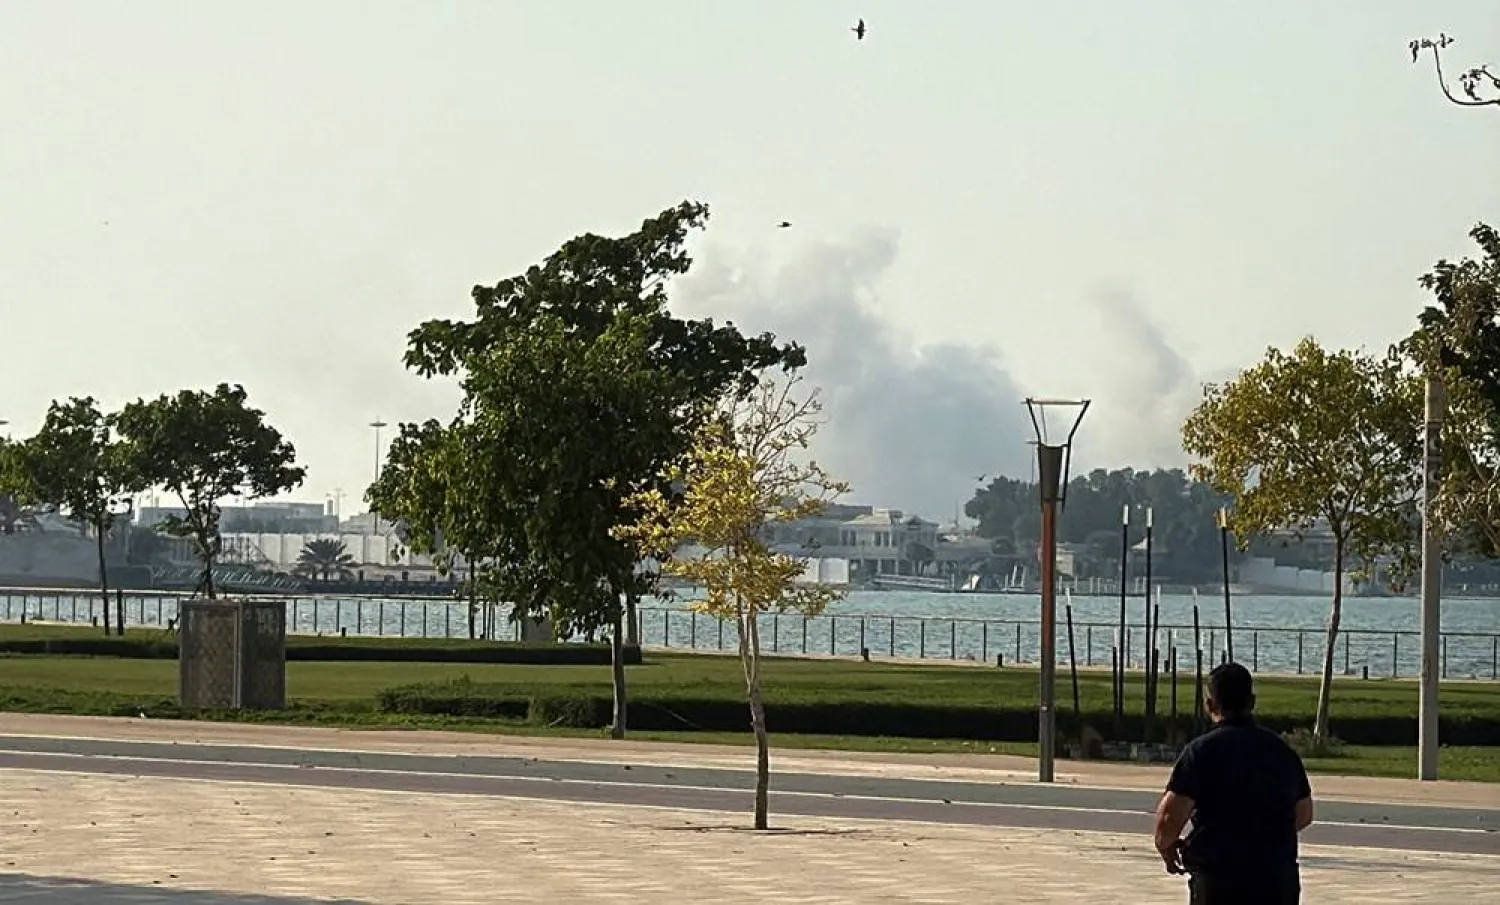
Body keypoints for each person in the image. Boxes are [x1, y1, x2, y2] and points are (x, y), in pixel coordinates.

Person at [1153, 661, 1315, 904]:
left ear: (1210, 705)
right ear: (1251, 702)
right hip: (1276, 879)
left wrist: (1166, 847)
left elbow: (1170, 818)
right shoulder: (1282, 752)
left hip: (1220, 878)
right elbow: (1304, 814)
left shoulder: (1201, 752)